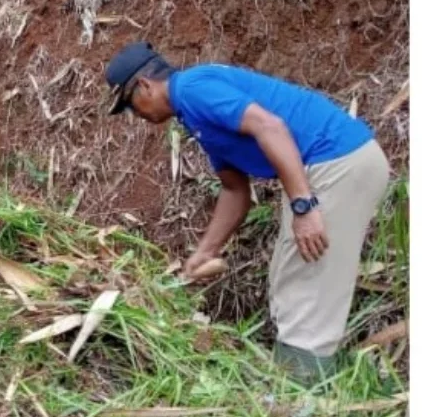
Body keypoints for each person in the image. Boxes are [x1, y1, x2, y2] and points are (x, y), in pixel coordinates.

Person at [103, 41, 390, 383]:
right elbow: (234, 189)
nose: (136, 115)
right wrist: (204, 251)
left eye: (131, 105)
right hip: (324, 167)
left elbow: (270, 127)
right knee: (288, 276)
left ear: (146, 86)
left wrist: (304, 205)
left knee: (306, 284)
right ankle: (298, 382)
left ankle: (304, 395)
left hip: (336, 162)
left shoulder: (194, 88)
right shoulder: (193, 113)